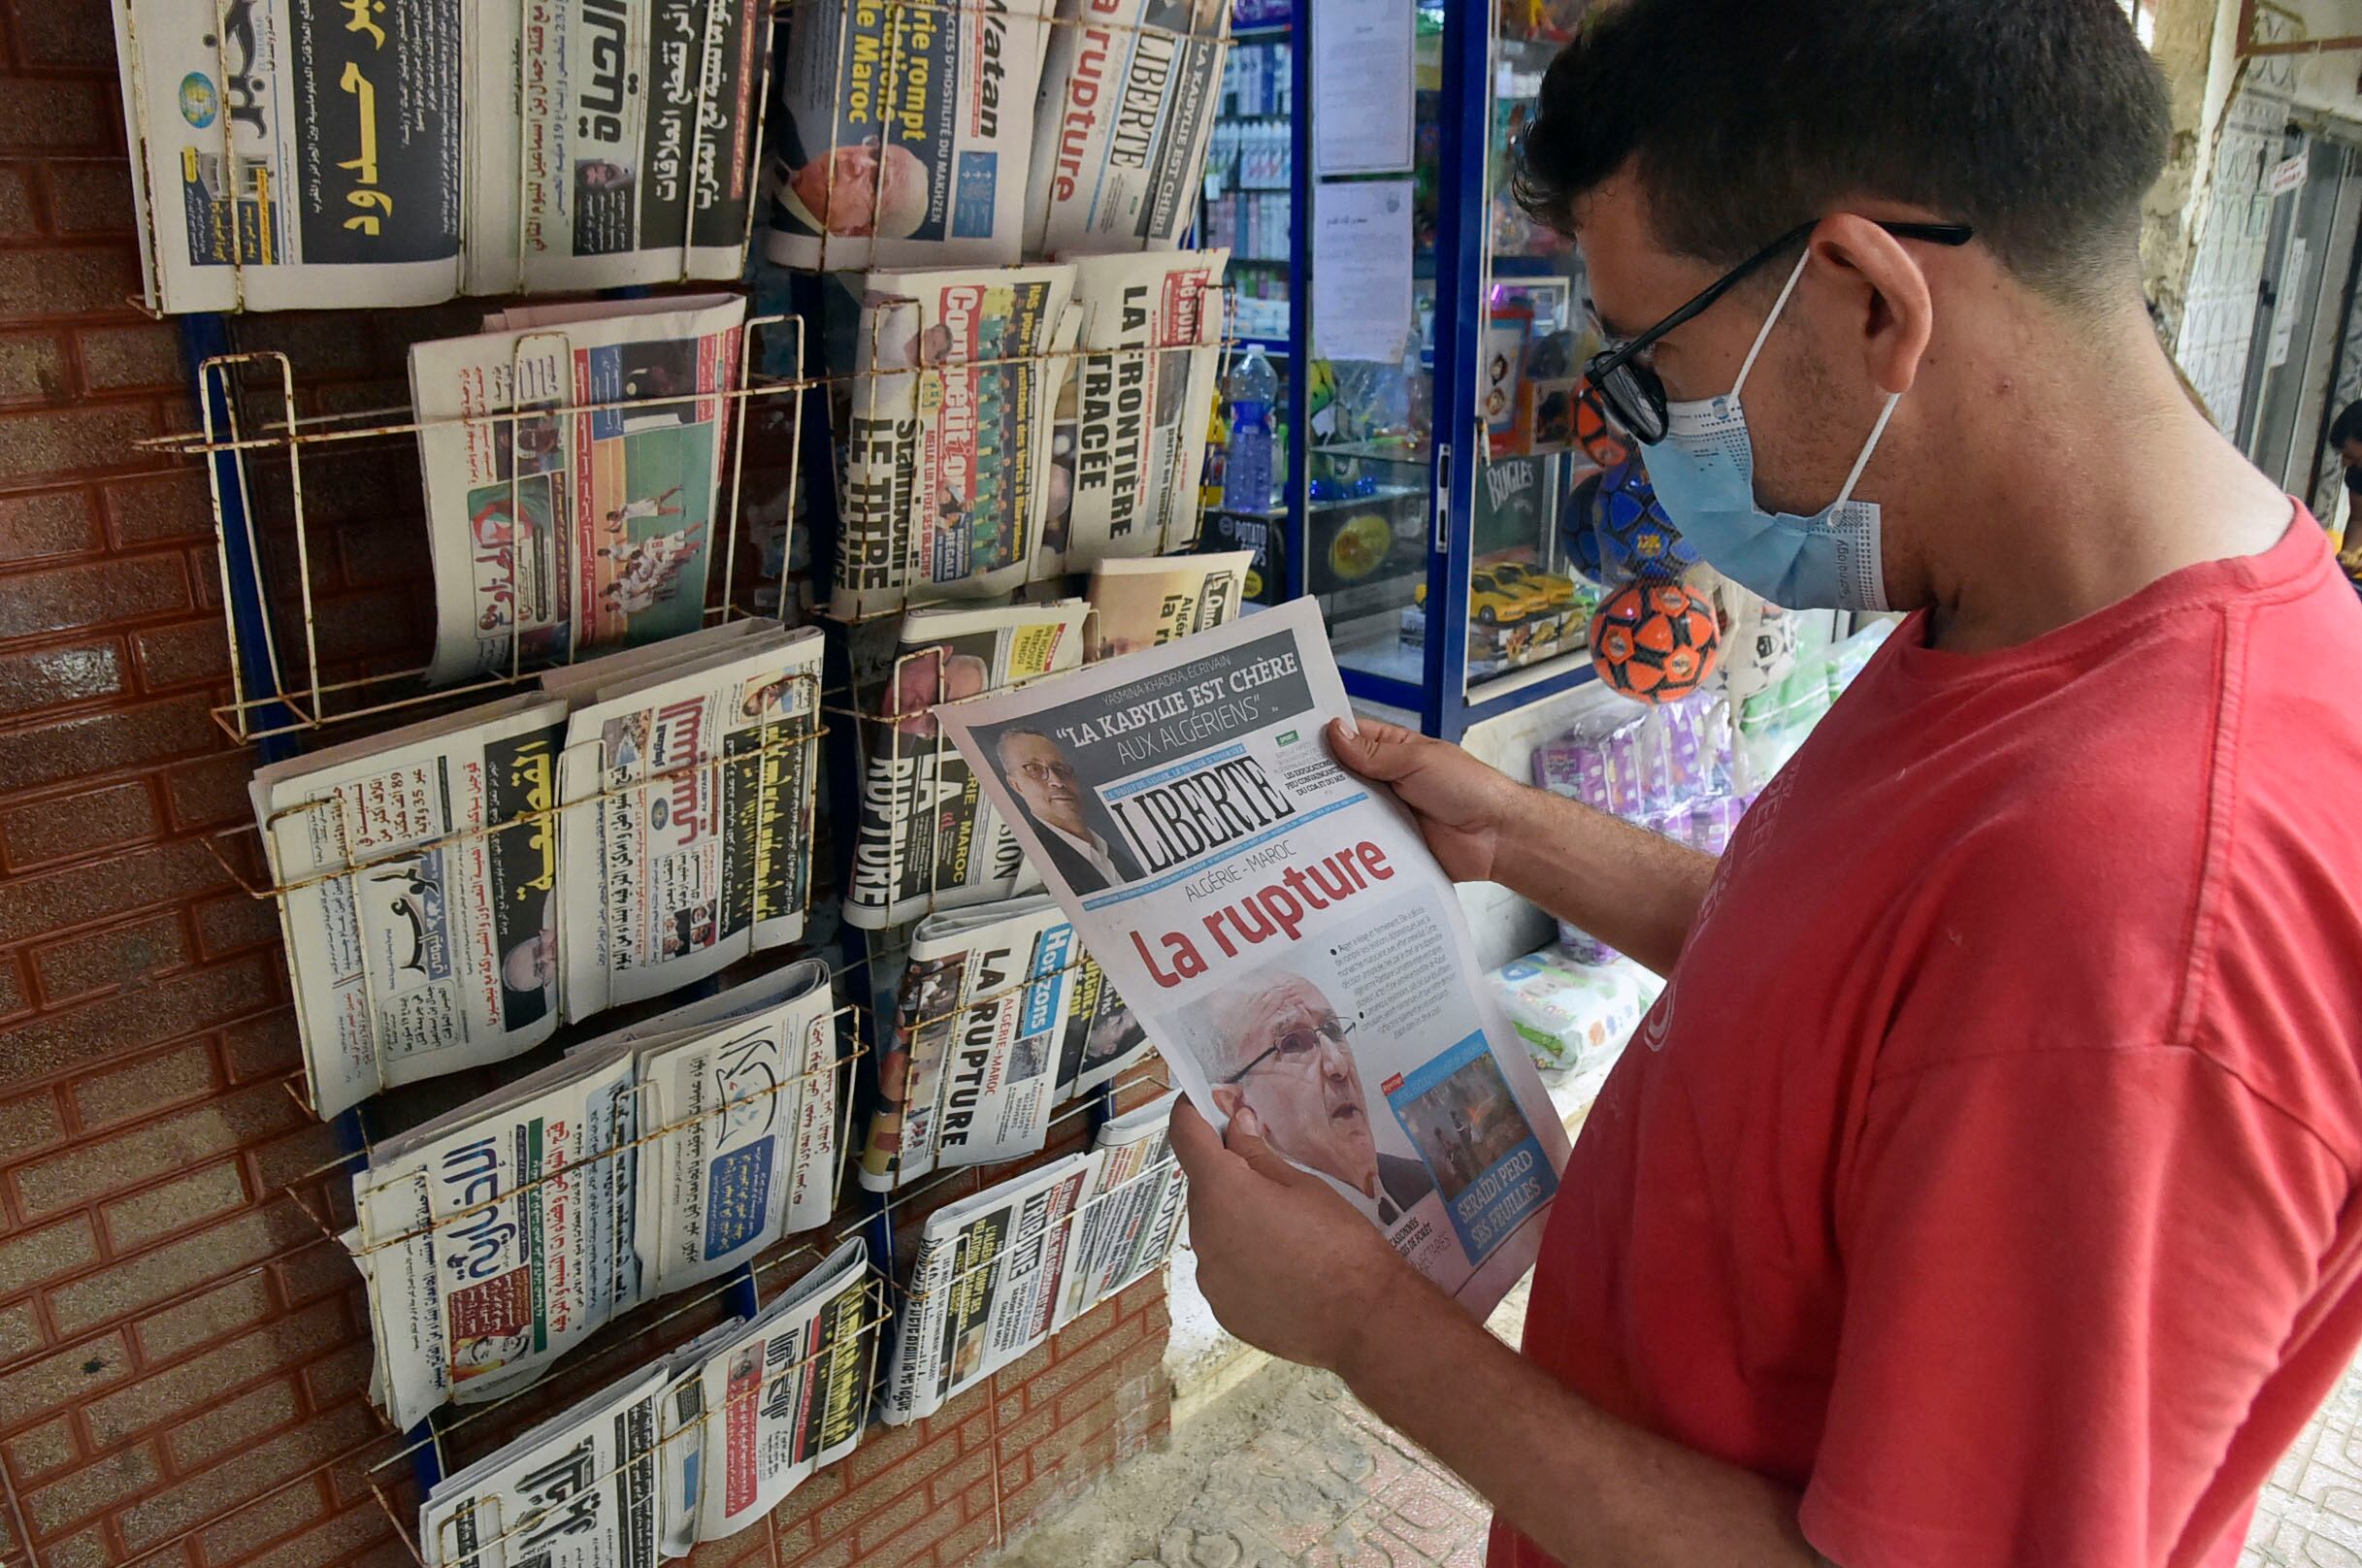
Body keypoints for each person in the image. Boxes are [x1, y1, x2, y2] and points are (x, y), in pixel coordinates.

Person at [1168, 5, 2362, 1568]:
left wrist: (1355, 1321)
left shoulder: (2136, 912)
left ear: (1871, 300)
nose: (1639, 435)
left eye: (1657, 365)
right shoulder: (2024, 608)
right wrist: (1518, 834)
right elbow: (1868, 1010)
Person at [1201, 973, 1432, 1226]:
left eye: (1333, 1030)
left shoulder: (1422, 1179)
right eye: (1292, 1044)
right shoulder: (1269, 1239)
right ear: (1237, 1105)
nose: (1339, 1065)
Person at [993, 728, 1144, 893]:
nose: (1057, 781)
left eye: (1059, 768)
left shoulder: (1118, 856)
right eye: (1034, 769)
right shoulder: (1038, 863)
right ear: (1015, 785)